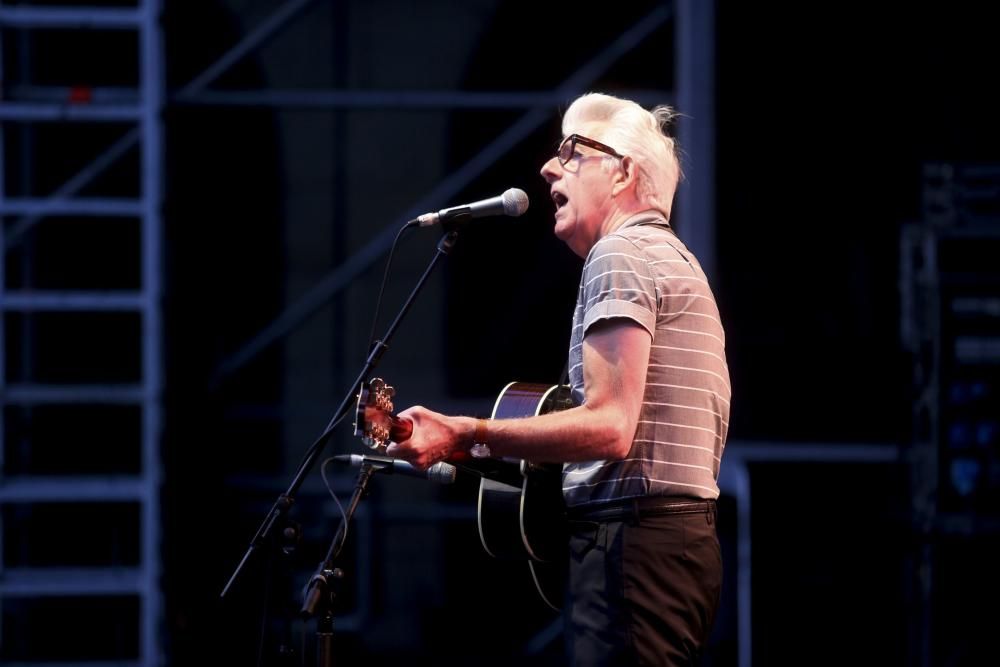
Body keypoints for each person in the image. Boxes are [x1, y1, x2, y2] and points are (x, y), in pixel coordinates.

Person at [386, 92, 730, 666]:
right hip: (676, 548)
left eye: (571, 151)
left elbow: (611, 428)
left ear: (623, 172)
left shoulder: (621, 253)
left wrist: (466, 431)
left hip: (632, 551)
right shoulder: (675, 259)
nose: (548, 166)